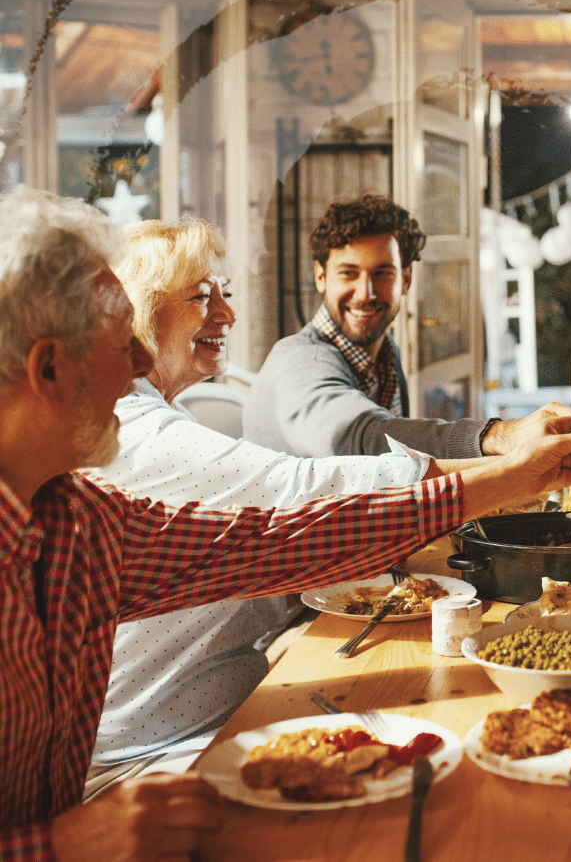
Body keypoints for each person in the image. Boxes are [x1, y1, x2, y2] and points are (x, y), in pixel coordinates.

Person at [0, 187, 571, 860]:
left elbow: (278, 541)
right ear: (50, 369)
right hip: (135, 772)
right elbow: (316, 478)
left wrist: (515, 478)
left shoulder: (77, 519)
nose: (142, 365)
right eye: (121, 345)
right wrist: (60, 847)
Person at [84, 219, 498, 790]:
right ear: (140, 311)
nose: (227, 315)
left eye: (224, 294)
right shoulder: (143, 434)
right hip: (157, 752)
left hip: (232, 702)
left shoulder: (156, 416)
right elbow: (308, 486)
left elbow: (277, 537)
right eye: (204, 297)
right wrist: (510, 467)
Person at [244, 194, 564, 459]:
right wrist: (497, 435)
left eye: (382, 273)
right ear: (320, 277)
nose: (365, 293)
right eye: (348, 273)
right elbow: (356, 438)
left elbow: (393, 467)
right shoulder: (300, 360)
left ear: (405, 279)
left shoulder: (384, 350)